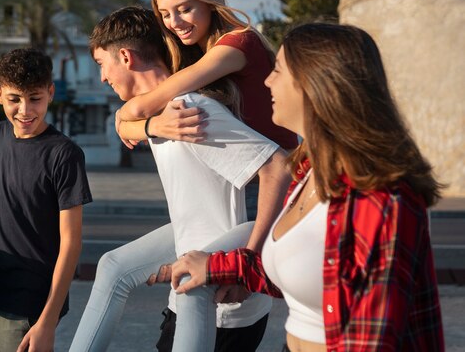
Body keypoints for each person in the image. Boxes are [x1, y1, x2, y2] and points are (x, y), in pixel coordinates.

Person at [171, 22, 445, 351]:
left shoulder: (382, 198)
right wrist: (219, 265)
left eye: (279, 70)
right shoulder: (307, 171)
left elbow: (373, 339)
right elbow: (304, 268)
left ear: (315, 85)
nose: (267, 80)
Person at [69, 6, 290, 352]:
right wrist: (145, 126)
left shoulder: (191, 112)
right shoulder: (160, 114)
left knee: (187, 277)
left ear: (125, 57)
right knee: (112, 266)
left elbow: (278, 167)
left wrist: (250, 262)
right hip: (193, 255)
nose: (102, 78)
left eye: (102, 64)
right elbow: (129, 120)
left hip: (222, 302)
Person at [0, 48, 93, 352]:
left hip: (28, 307)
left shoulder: (64, 154)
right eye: (15, 99)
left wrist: (47, 322)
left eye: (35, 98)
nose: (25, 110)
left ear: (50, 93)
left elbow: (71, 243)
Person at [116, 0, 297, 152]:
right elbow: (132, 124)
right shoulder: (193, 51)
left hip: (277, 173)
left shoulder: (238, 44)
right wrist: (150, 125)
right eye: (166, 14)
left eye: (184, 9)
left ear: (209, 2)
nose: (174, 23)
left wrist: (124, 115)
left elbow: (140, 109)